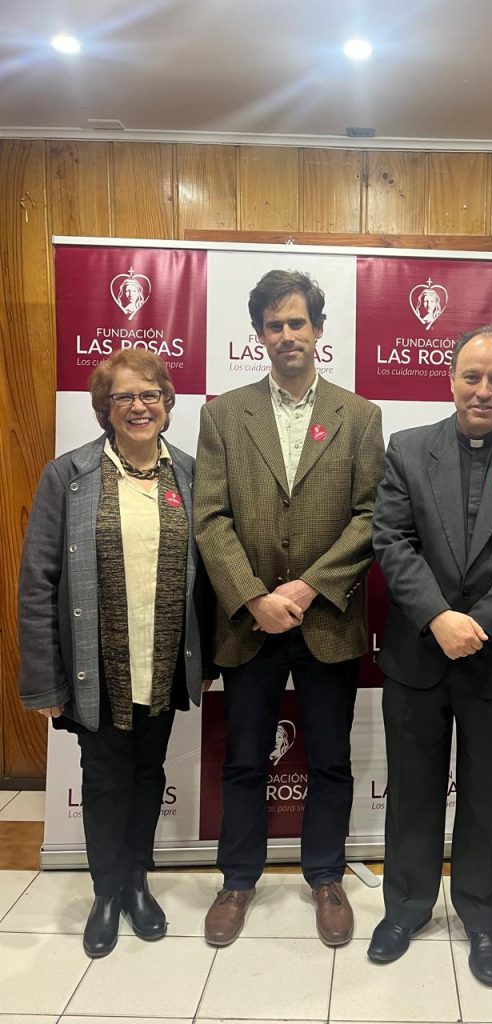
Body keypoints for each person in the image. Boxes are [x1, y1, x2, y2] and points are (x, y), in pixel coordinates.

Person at [369, 325, 492, 986]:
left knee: (487, 799)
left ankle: (482, 918)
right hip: (418, 654)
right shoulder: (407, 449)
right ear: (450, 378)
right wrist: (439, 617)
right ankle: (406, 908)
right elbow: (392, 541)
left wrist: (475, 625)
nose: (484, 390)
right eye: (472, 376)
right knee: (413, 792)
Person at [194, 269, 385, 949]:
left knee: (331, 759)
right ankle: (237, 880)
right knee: (245, 759)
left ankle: (326, 876)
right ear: (259, 335)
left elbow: (371, 516)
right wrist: (253, 596)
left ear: (319, 330)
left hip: (326, 619)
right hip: (249, 622)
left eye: (297, 322)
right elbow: (210, 517)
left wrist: (306, 589)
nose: (286, 335)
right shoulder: (223, 414)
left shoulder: (360, 415)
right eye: (273, 325)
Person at [17, 350, 215, 958]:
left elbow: (208, 578)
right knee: (104, 778)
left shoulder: (190, 474)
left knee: (149, 773)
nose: (138, 406)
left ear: (168, 404)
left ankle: (136, 881)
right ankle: (106, 893)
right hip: (94, 666)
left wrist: (206, 662)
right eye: (123, 397)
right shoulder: (68, 475)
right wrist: (45, 681)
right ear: (104, 408)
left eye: (150, 395)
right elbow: (38, 582)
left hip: (163, 661)